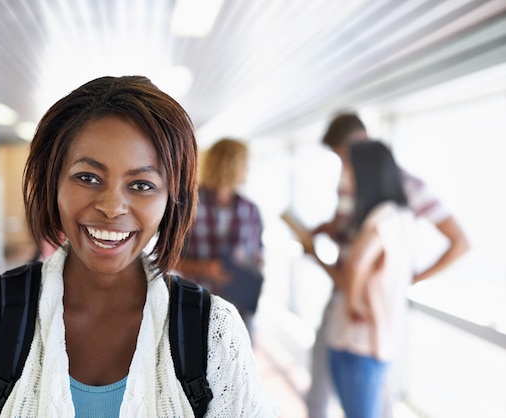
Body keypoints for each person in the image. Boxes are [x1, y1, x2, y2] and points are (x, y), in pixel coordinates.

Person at [0, 76, 278, 417]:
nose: (112, 207)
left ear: (172, 199)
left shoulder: (215, 332)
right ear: (53, 184)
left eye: (141, 184)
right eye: (88, 177)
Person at [304, 112, 470, 418]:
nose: (345, 165)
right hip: (356, 312)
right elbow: (351, 243)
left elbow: (355, 266)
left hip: (364, 321)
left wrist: (406, 280)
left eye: (347, 156)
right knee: (331, 396)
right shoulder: (383, 207)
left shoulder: (394, 207)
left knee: (368, 404)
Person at [305, 140, 415, 418]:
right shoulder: (401, 215)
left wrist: (353, 303)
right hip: (374, 338)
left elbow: (354, 266)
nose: (347, 178)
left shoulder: (381, 218)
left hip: (358, 339)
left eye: (350, 170)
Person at [176, 138, 264, 335]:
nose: (247, 169)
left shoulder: (250, 210)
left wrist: (252, 268)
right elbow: (169, 259)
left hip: (240, 308)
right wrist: (205, 268)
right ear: (232, 165)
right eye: (244, 163)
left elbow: (258, 255)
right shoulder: (188, 205)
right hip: (198, 307)